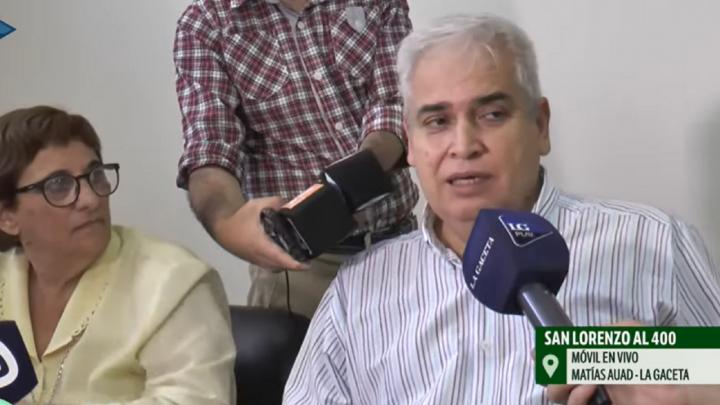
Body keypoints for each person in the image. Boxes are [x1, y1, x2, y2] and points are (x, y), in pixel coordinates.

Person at [283, 14, 720, 404]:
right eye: (437, 121)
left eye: (492, 114)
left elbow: (711, 378)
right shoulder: (358, 289)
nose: (463, 146)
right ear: (410, 144)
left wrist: (677, 378)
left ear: (540, 126)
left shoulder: (654, 242)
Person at [173, 0, 420, 318]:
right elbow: (210, 149)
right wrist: (230, 224)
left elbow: (394, 104)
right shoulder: (206, 24)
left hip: (403, 247)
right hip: (302, 272)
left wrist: (350, 181)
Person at [0, 106, 236, 404]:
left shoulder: (173, 283)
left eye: (95, 175)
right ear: (7, 216)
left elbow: (195, 399)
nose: (90, 199)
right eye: (58, 185)